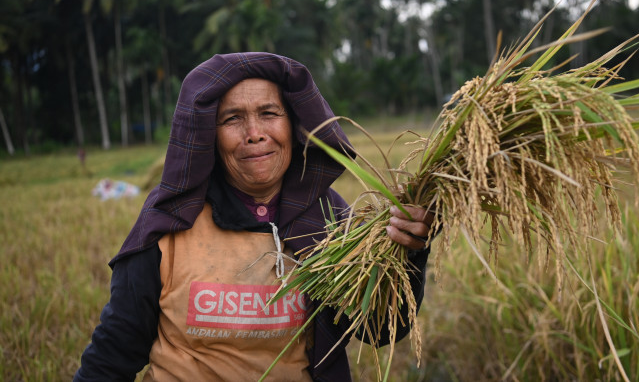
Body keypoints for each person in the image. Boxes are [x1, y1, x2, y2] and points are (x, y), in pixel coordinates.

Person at [74, 52, 433, 381]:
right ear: (207, 136)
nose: (254, 134)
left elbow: (381, 329)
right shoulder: (169, 222)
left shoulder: (330, 220)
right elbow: (115, 350)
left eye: (269, 113)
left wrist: (412, 251)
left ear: (294, 126)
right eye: (232, 119)